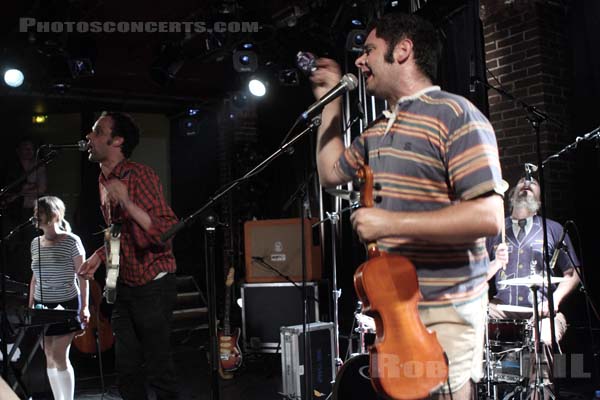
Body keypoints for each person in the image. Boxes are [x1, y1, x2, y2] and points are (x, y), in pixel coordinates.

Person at [309, 12, 504, 399]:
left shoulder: (455, 114)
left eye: (368, 51)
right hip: (397, 308)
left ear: (402, 50)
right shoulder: (377, 130)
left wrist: (390, 224)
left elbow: (488, 216)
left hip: (446, 307)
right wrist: (328, 103)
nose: (360, 61)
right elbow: (331, 173)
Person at [77, 111, 179, 400]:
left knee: (159, 370)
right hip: (125, 284)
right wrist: (99, 255)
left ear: (117, 140)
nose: (89, 137)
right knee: (126, 371)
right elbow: (117, 230)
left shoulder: (140, 174)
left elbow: (164, 231)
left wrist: (127, 202)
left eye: (97, 131)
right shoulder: (102, 179)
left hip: (153, 284)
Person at [486, 177, 580, 396]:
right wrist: (495, 263)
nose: (526, 184)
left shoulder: (553, 229)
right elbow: (477, 275)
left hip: (542, 309)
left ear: (540, 198)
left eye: (533, 183)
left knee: (545, 335)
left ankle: (540, 393)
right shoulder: (495, 230)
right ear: (512, 195)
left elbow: (573, 273)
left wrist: (554, 301)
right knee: (472, 324)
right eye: (521, 181)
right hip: (501, 308)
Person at [28, 195, 89, 400]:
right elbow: (35, 278)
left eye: (40, 212)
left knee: (59, 355)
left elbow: (83, 276)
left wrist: (85, 307)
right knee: (48, 356)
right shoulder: (35, 243)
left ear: (54, 215)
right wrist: (30, 307)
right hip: (41, 306)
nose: (36, 216)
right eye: (36, 212)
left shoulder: (72, 241)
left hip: (66, 305)